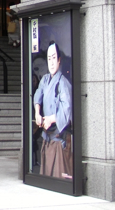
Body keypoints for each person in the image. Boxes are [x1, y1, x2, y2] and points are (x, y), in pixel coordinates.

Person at [33, 41, 72, 179]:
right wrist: (37, 113)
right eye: (49, 58)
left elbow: (66, 109)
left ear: (59, 60)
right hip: (47, 135)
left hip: (58, 137)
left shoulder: (63, 83)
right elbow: (38, 95)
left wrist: (51, 119)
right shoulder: (44, 79)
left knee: (58, 174)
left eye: (54, 58)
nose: (51, 62)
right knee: (47, 172)